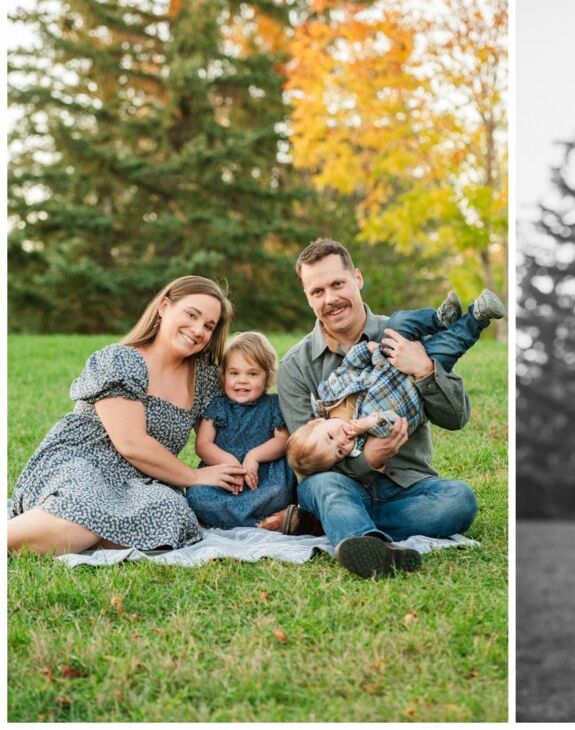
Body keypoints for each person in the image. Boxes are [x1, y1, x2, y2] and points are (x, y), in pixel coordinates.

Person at [277, 238, 484, 579]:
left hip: (406, 487)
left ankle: (342, 528)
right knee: (323, 488)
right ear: (307, 297)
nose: (330, 299)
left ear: (357, 279)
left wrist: (423, 369)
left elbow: (456, 417)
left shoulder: (404, 333)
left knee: (459, 501)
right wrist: (366, 459)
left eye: (337, 284)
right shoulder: (296, 366)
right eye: (317, 292)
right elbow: (308, 459)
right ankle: (364, 540)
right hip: (338, 485)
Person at [8, 276, 247, 555]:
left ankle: (72, 530)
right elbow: (131, 443)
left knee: (174, 516)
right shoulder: (120, 360)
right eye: (191, 315)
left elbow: (224, 432)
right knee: (86, 504)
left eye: (209, 326)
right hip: (84, 460)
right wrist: (193, 476)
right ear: (164, 307)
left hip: (140, 481)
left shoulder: (203, 377)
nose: (197, 330)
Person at [286, 290, 505, 476]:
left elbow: (349, 367)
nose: (341, 442)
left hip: (389, 357)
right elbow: (390, 423)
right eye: (339, 452)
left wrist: (368, 350)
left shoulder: (329, 394)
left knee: (398, 322)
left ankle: (439, 319)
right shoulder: (361, 441)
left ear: (316, 423)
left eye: (331, 437)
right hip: (413, 389)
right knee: (449, 346)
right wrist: (369, 423)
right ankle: (479, 315)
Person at [185, 332, 295, 529]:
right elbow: (203, 445)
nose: (242, 380)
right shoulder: (218, 406)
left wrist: (254, 456)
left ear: (267, 377)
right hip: (224, 475)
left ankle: (223, 521)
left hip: (263, 477)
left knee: (281, 491)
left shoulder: (273, 405)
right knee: (196, 494)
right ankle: (264, 523)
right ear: (224, 375)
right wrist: (230, 463)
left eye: (252, 374)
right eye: (234, 373)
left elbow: (282, 440)